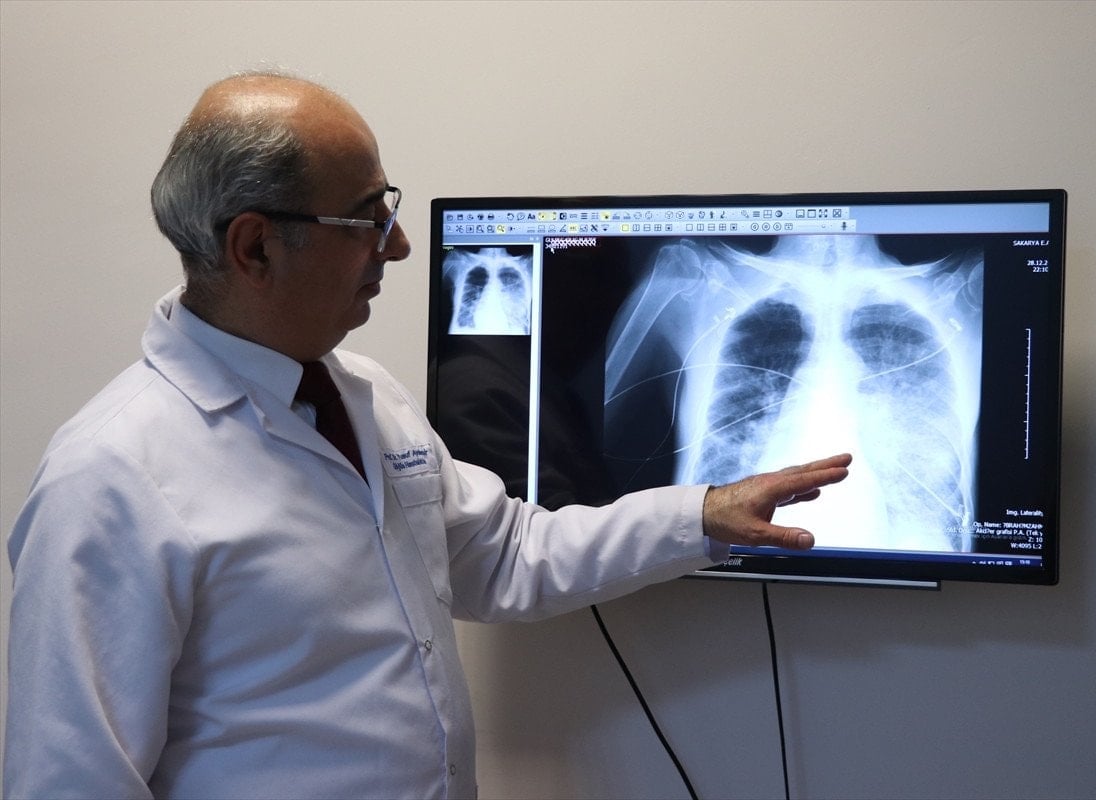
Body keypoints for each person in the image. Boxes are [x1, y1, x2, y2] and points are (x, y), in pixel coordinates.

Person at [3, 71, 852, 799]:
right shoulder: (111, 478)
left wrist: (701, 515)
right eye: (366, 218)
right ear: (256, 247)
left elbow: (501, 556)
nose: (401, 245)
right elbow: (71, 780)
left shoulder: (363, 393)